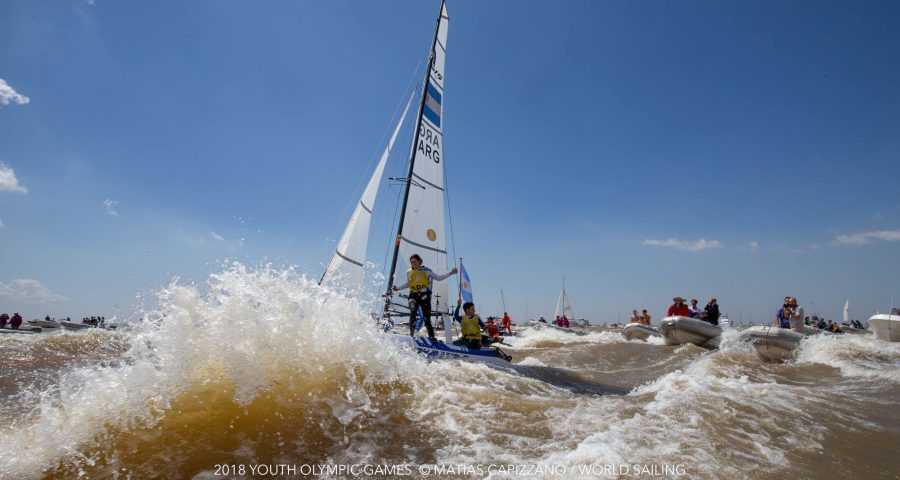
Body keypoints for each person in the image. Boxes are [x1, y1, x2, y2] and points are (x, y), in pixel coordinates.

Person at [392, 253, 458, 339]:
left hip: (424, 296)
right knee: (413, 312)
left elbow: (438, 278)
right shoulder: (409, 272)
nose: (413, 264)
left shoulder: (426, 270)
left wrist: (451, 273)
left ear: (419, 261)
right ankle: (411, 335)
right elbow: (408, 284)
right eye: (411, 262)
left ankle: (432, 338)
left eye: (414, 262)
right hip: (413, 295)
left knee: (427, 319)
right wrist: (398, 288)